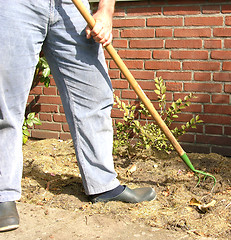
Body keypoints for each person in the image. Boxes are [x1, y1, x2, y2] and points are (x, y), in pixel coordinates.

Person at [0, 0, 156, 232]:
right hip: (15, 5)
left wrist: (105, 10)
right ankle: (3, 193)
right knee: (6, 101)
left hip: (71, 7)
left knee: (94, 95)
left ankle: (102, 184)